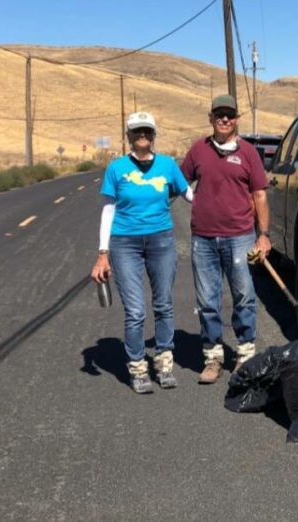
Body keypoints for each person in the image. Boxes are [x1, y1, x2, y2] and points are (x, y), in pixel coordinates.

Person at [90, 111, 193, 394]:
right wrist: (103, 253)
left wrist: (219, 204)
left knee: (163, 305)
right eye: (137, 132)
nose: (142, 137)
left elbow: (189, 194)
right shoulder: (117, 168)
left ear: (154, 135)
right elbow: (108, 210)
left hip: (161, 240)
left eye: (147, 132)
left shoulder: (168, 165)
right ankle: (137, 367)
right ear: (129, 136)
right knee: (135, 310)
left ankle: (164, 364)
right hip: (125, 244)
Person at [180, 94, 271, 384]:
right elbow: (179, 183)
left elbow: (259, 195)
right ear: (210, 118)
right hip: (203, 239)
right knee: (208, 301)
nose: (224, 119)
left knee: (244, 297)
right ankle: (213, 357)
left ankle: (245, 355)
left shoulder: (248, 153)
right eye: (219, 114)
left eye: (229, 115)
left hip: (240, 237)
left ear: (236, 119)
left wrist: (263, 236)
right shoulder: (198, 150)